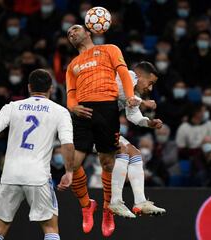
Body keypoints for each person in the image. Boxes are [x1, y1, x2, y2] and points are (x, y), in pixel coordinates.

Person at [0, 69, 75, 240]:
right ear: (50, 88)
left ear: (29, 87)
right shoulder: (60, 111)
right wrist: (69, 171)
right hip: (38, 176)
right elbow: (67, 144)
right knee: (50, 228)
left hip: (10, 174)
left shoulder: (13, 107)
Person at [65, 24, 138, 237]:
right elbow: (71, 93)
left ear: (89, 32)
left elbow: (123, 73)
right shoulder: (72, 65)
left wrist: (131, 94)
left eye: (75, 29)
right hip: (82, 111)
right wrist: (72, 107)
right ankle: (87, 205)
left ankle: (108, 207)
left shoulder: (110, 49)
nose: (72, 33)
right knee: (72, 163)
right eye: (68, 33)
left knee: (107, 162)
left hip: (107, 108)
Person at [109, 62, 166, 218]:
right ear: (139, 76)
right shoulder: (127, 76)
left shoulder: (133, 92)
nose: (150, 88)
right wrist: (144, 102)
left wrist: (149, 122)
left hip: (104, 126)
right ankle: (115, 202)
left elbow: (132, 116)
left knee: (135, 153)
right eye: (150, 83)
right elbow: (119, 93)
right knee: (123, 149)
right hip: (90, 124)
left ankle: (140, 202)